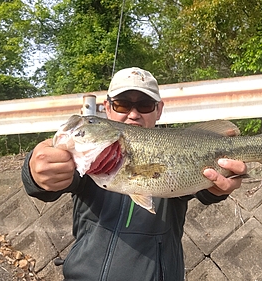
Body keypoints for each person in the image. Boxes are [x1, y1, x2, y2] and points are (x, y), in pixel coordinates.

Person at [21, 67, 247, 280]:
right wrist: (34, 172)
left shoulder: (174, 145)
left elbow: (201, 191)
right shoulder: (86, 159)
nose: (133, 114)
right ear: (107, 108)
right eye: (122, 105)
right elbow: (44, 188)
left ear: (159, 109)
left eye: (145, 105)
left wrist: (217, 189)